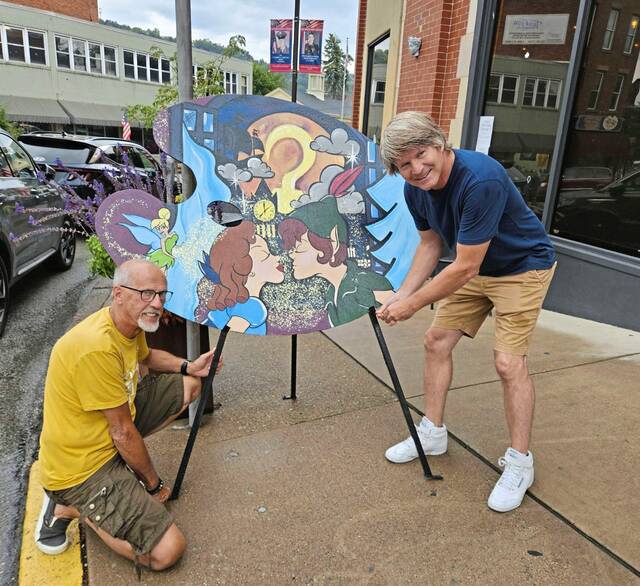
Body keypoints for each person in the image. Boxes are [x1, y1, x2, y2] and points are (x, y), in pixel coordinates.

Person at [377, 111, 556, 513]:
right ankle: (432, 433)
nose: (416, 168)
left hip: (522, 266)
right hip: (474, 266)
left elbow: (464, 267)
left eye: (421, 154)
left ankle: (520, 463)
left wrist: (413, 303)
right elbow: (430, 245)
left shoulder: (481, 179)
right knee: (436, 341)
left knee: (509, 364)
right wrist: (400, 293)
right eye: (404, 164)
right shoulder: (414, 189)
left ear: (440, 144)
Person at [36, 259, 221, 571]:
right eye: (147, 294)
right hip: (80, 469)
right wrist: (152, 484)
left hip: (108, 433)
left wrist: (190, 366)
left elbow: (147, 357)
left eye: (162, 295)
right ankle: (71, 507)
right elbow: (122, 432)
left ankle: (119, 475)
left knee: (190, 385)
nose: (157, 304)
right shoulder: (96, 347)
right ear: (118, 293)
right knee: (168, 551)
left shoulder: (127, 325)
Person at [278, 197, 393, 327]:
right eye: (290, 248)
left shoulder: (366, 283)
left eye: (297, 248)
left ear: (332, 242)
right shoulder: (331, 294)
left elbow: (395, 306)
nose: (291, 255)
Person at [195, 220, 285, 334]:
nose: (277, 257)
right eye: (265, 255)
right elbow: (229, 336)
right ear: (245, 269)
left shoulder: (231, 302)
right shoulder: (252, 307)